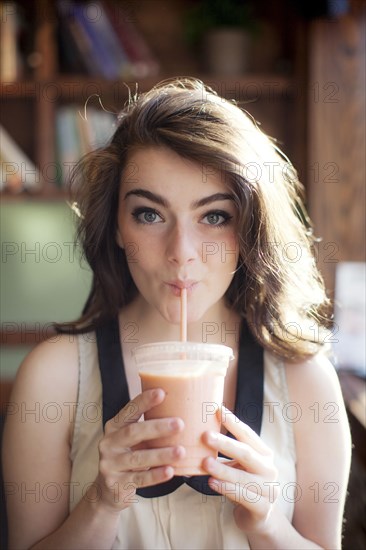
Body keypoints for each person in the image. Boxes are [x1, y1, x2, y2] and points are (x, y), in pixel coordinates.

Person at [3, 77, 351, 549]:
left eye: (214, 216)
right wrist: (101, 503)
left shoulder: (307, 380)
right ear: (119, 227)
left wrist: (269, 526)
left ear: (249, 229)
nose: (181, 253)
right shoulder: (54, 377)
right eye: (149, 214)